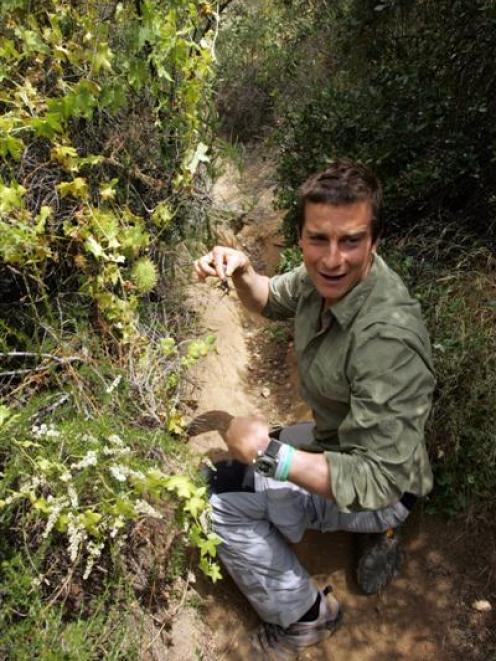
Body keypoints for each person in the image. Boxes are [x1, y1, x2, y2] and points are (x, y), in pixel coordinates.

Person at [193, 159, 435, 658]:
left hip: (383, 484)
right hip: (344, 442)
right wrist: (241, 268)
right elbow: (267, 299)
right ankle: (370, 534)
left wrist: (268, 455)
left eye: (350, 240)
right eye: (318, 239)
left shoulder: (387, 338)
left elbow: (376, 479)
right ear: (300, 237)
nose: (333, 258)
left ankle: (306, 618)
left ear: (374, 240)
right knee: (242, 466)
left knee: (220, 501)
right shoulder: (320, 278)